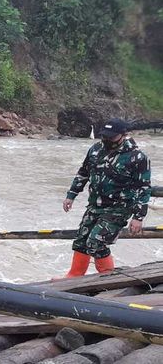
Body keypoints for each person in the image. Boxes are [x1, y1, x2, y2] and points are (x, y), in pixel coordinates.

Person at [62, 119, 151, 277]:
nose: (107, 140)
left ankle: (107, 278)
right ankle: (74, 275)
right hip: (95, 205)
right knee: (81, 241)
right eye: (105, 136)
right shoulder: (95, 150)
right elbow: (83, 173)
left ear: (124, 135)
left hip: (119, 209)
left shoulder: (137, 157)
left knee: (96, 243)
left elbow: (143, 188)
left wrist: (138, 216)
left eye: (112, 137)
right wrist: (71, 195)